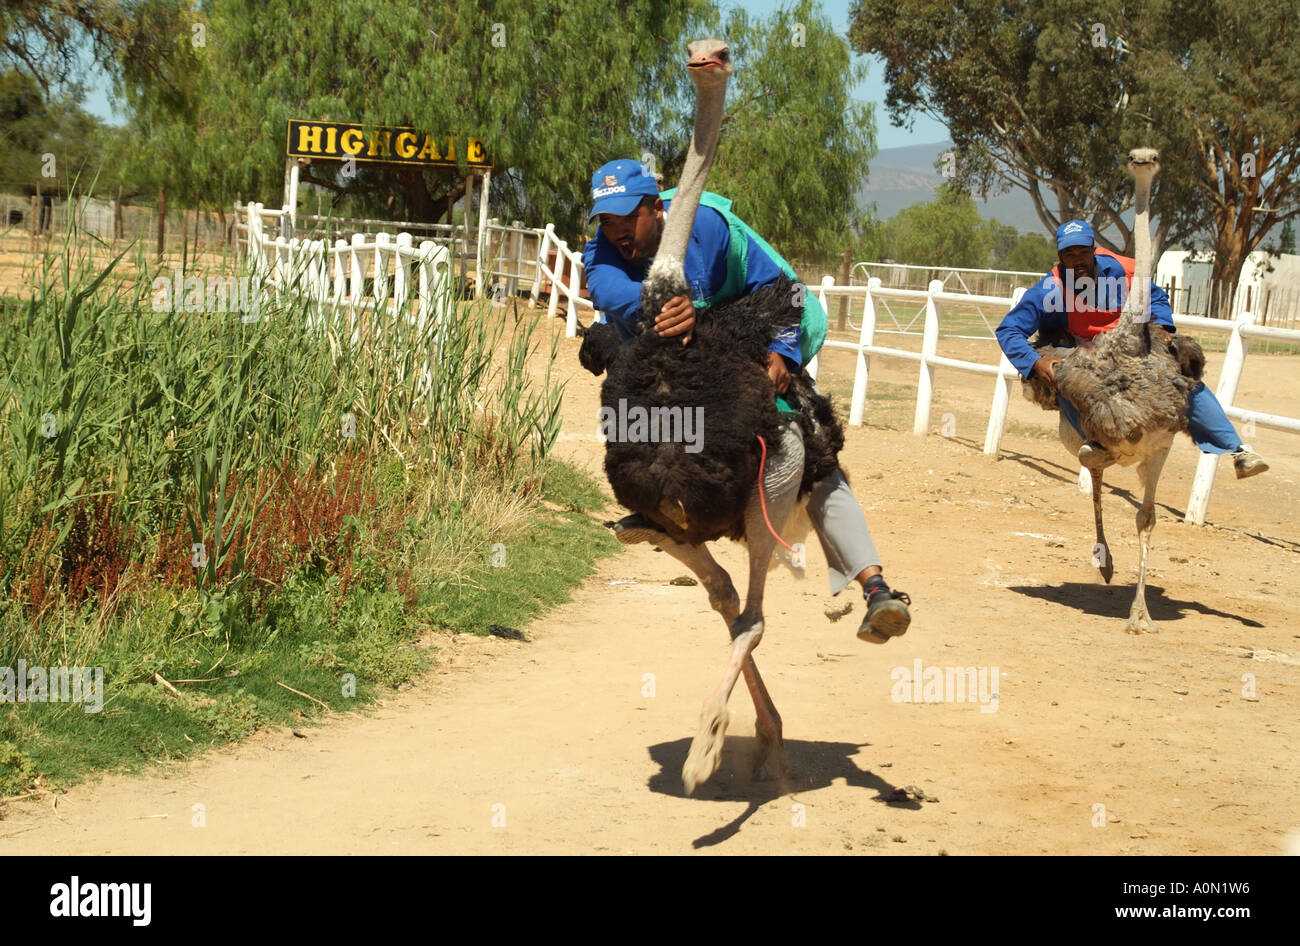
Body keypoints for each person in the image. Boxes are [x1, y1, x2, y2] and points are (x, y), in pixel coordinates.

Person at [581, 158, 912, 644]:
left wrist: (781, 351)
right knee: (633, 426)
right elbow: (612, 292)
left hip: (755, 325)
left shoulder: (709, 228)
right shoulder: (603, 252)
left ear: (656, 208)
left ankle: (875, 586)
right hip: (680, 353)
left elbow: (782, 290)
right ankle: (654, 511)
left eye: (629, 217)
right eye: (607, 221)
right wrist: (664, 305)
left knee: (809, 443)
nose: (618, 231)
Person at [995, 219, 1269, 478]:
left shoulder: (1124, 271)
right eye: (1069, 253)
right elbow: (1009, 329)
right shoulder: (1049, 289)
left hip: (1130, 346)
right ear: (1060, 256)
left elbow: (1156, 296)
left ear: (1093, 250)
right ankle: (1099, 445)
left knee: (1180, 378)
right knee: (1066, 376)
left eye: (1082, 252)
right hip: (1085, 354)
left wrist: (1162, 326)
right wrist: (1035, 362)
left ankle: (1238, 451)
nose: (1077, 259)